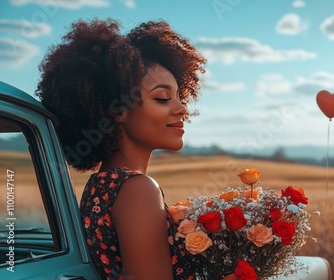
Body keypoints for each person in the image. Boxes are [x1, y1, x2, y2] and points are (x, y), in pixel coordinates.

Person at [36, 18, 206, 279]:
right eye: (162, 98)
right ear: (117, 110)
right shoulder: (138, 189)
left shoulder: (101, 186)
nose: (182, 108)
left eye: (180, 97)